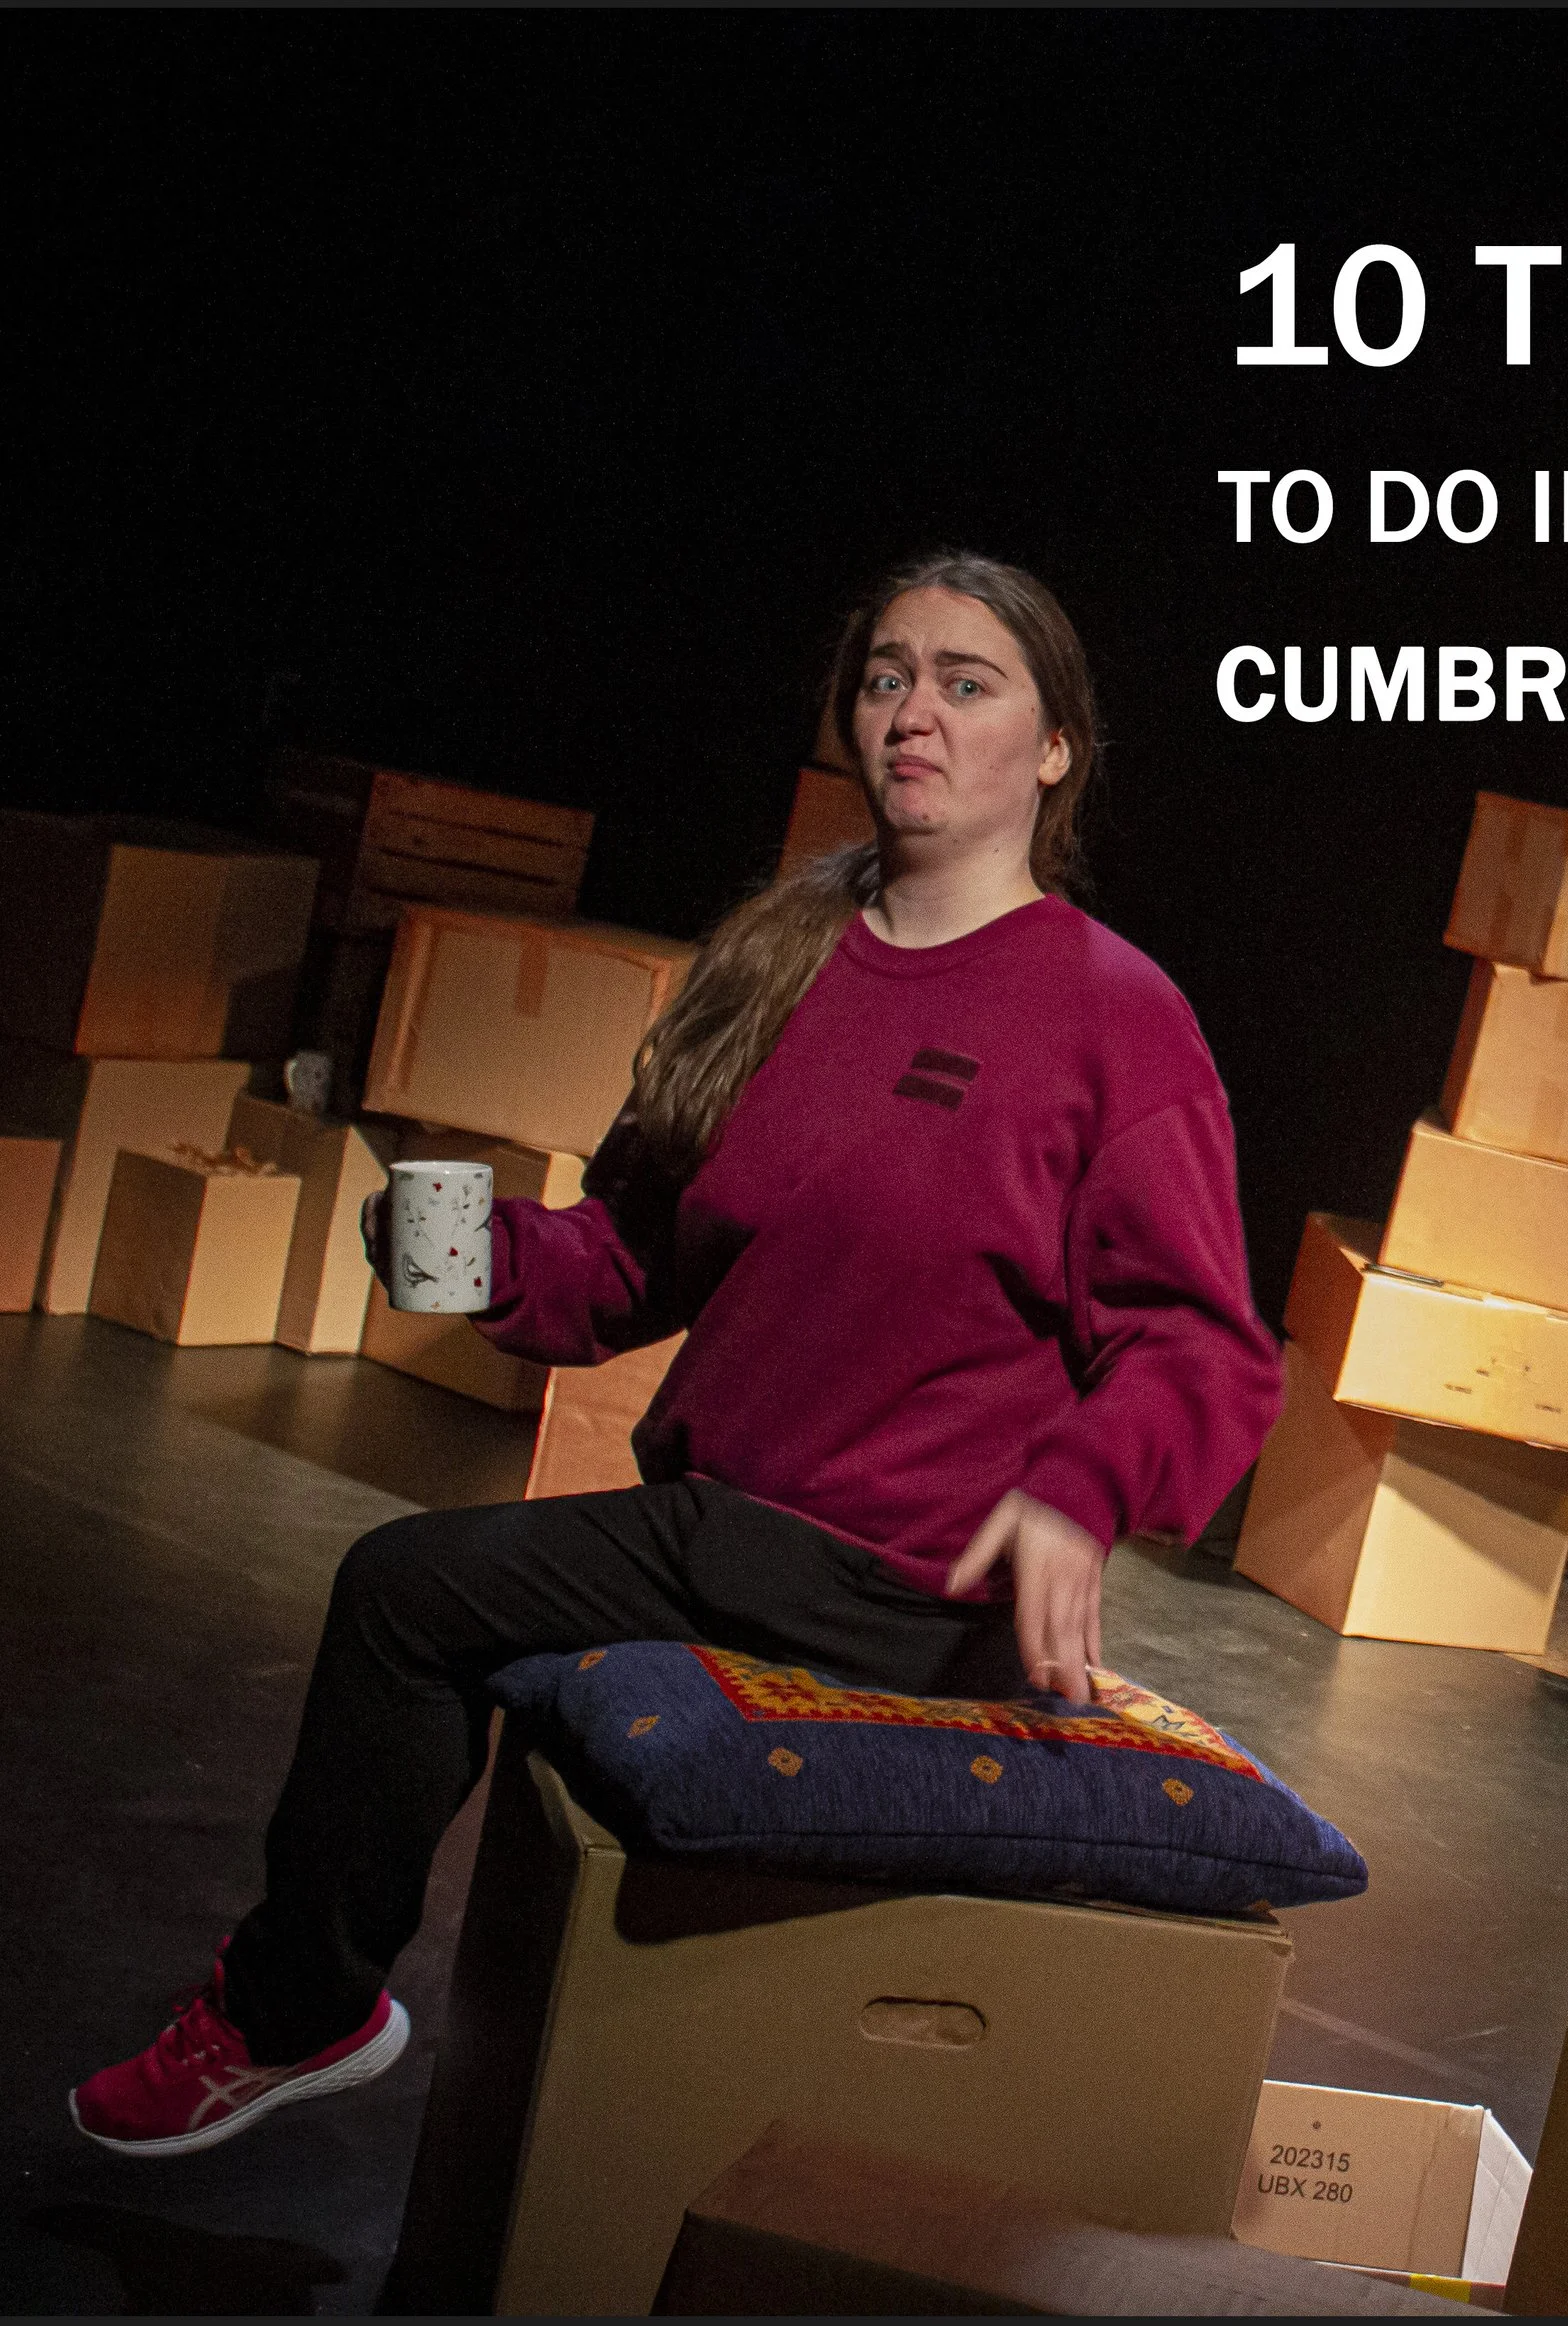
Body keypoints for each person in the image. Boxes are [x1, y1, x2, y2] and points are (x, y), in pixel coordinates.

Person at [71, 553, 1284, 2157]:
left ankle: (297, 2009)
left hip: (897, 1573)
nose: (913, 710)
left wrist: (1077, 1489)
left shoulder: (1113, 1013)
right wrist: (476, 1251)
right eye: (886, 676)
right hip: (720, 1532)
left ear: (1056, 747)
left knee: (400, 1590)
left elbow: (1202, 1343)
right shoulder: (783, 957)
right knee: (431, 1590)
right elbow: (635, 1251)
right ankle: (326, 2006)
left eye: (966, 681)